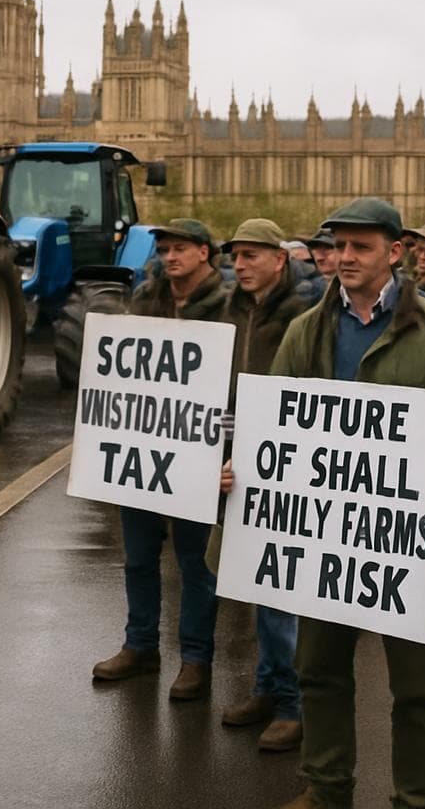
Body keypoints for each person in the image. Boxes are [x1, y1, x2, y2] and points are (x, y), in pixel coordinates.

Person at [264, 197, 425, 809]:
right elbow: (274, 427)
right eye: (338, 245)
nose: (343, 258)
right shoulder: (305, 330)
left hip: (405, 548)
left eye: (359, 246)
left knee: (418, 691)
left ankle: (418, 798)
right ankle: (326, 786)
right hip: (322, 540)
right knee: (318, 671)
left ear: (395, 253)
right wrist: (247, 470)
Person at [93, 218, 228, 699]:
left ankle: (195, 659)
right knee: (139, 559)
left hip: (198, 456)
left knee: (195, 564)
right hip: (145, 455)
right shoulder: (147, 298)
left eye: (181, 249)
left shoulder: (226, 307)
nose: (171, 257)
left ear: (204, 253)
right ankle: (140, 647)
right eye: (165, 249)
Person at [218, 219, 314, 753]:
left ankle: (293, 704)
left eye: (252, 255)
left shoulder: (302, 313)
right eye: (236, 256)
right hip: (241, 460)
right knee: (256, 584)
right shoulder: (232, 308)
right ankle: (266, 685)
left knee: (281, 591)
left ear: (280, 259)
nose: (242, 264)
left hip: (285, 462)